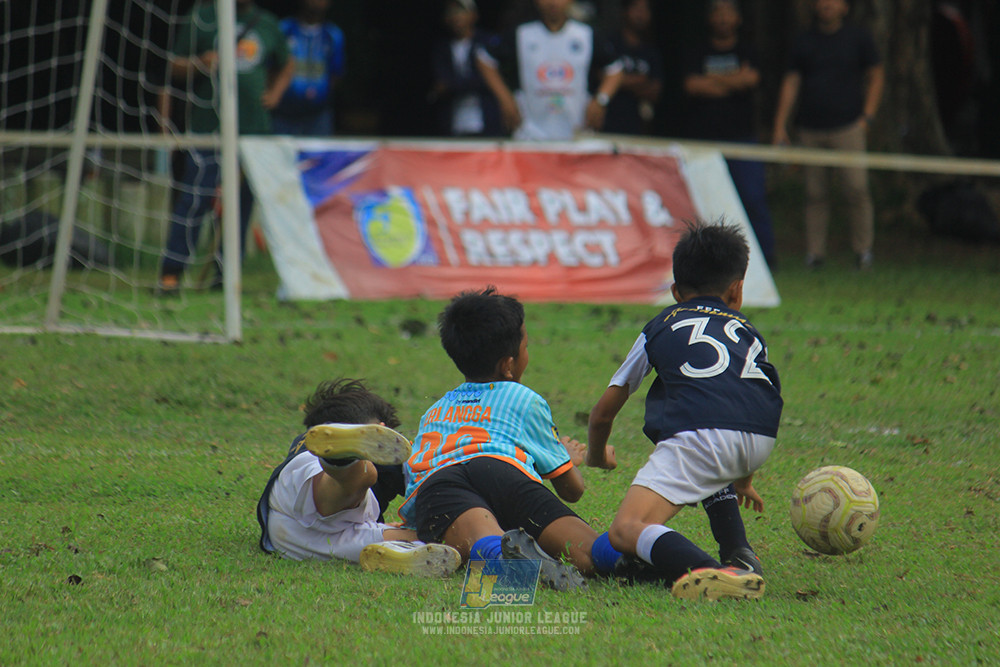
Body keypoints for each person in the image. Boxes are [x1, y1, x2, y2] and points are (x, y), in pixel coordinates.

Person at [587, 220, 783, 601]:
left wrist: (597, 457)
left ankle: (717, 572)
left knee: (626, 529)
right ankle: (738, 550)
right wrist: (744, 478)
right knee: (709, 458)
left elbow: (602, 414)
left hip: (702, 435)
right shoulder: (747, 329)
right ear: (737, 289)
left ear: (676, 291)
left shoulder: (662, 324)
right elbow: (756, 395)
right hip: (760, 436)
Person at [398, 287, 624, 590]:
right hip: (501, 472)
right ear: (508, 364)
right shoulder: (522, 399)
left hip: (440, 485)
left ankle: (505, 559)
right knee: (586, 555)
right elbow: (573, 489)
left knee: (485, 540)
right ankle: (640, 556)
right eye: (526, 347)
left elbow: (414, 478)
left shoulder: (434, 411)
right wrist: (568, 459)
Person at [256, 378, 461, 576]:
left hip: (291, 538)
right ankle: (342, 461)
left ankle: (402, 551)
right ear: (381, 428)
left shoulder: (305, 447)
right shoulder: (311, 450)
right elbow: (430, 481)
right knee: (361, 477)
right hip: (321, 495)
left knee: (407, 537)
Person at [158, 0, 294, 294]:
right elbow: (173, 65)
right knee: (194, 201)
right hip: (209, 130)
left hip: (253, 134)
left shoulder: (267, 23)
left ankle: (225, 276)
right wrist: (198, 64)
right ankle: (171, 273)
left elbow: (287, 63)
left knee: (239, 209)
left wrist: (275, 94)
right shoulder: (203, 18)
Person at [772, 0, 884, 270]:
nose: (827, 5)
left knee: (857, 190)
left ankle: (863, 251)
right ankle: (815, 254)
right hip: (810, 129)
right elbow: (791, 82)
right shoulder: (804, 41)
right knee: (815, 193)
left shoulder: (858, 38)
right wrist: (780, 125)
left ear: (845, 7)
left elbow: (876, 74)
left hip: (848, 127)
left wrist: (867, 117)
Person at [681, 0, 777, 269]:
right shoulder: (697, 51)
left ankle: (764, 260)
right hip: (703, 141)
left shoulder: (748, 50)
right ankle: (702, 263)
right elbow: (691, 85)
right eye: (717, 12)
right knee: (703, 201)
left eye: (728, 12)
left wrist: (711, 82)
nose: (723, 18)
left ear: (738, 18)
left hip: (741, 139)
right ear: (710, 18)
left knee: (752, 198)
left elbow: (751, 81)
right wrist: (734, 81)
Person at [476, 0, 624, 140]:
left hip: (577, 134)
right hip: (530, 134)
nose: (553, 2)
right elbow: (484, 59)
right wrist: (505, 99)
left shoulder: (586, 34)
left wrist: (600, 100)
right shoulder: (522, 33)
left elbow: (615, 68)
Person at [428, 0, 502, 138]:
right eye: (451, 12)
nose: (456, 16)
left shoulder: (487, 42)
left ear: (474, 15)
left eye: (461, 11)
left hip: (486, 122)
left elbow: (488, 81)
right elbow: (439, 82)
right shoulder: (441, 48)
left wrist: (452, 85)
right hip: (454, 124)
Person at [271, 0, 346, 136]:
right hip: (283, 115)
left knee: (318, 156)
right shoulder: (283, 28)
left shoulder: (333, 35)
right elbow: (271, 67)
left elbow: (336, 74)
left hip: (318, 116)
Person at [603, 0, 662, 136]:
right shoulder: (610, 44)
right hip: (607, 123)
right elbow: (601, 77)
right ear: (625, 11)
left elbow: (655, 91)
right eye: (636, 8)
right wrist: (639, 81)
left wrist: (618, 81)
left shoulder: (651, 52)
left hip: (638, 127)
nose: (640, 14)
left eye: (645, 10)